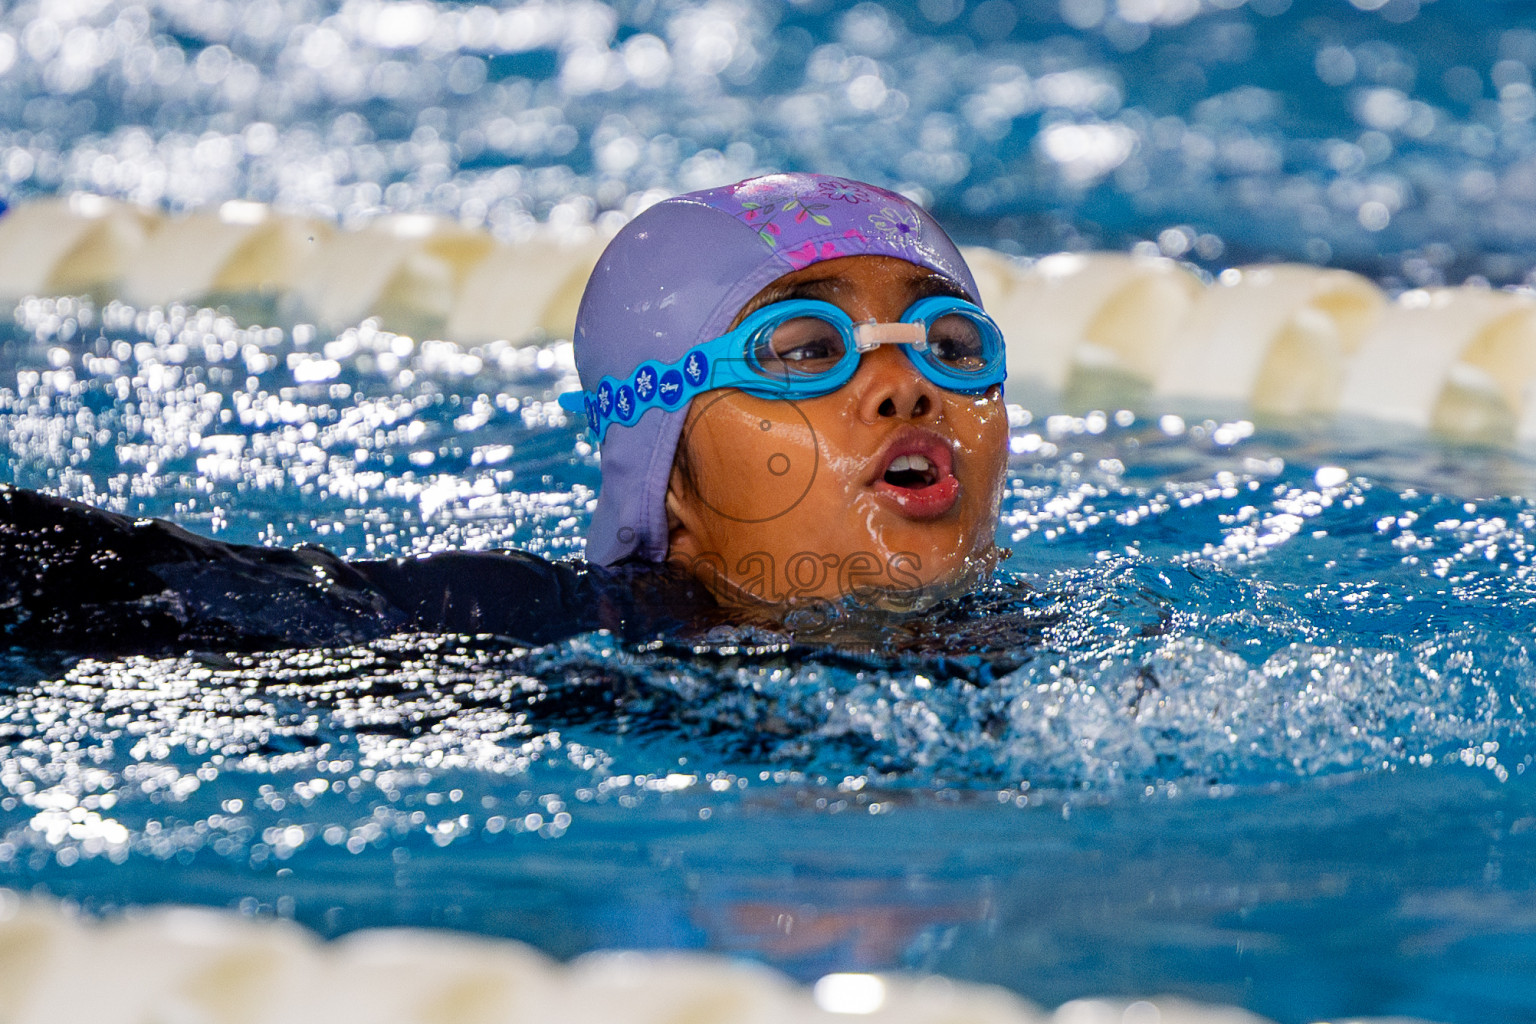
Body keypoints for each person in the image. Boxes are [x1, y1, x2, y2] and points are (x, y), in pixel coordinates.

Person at [0, 173, 1010, 655]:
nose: (908, 385)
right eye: (804, 351)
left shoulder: (1052, 649)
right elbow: (140, 584)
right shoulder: (541, 626)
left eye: (954, 345)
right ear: (664, 473)